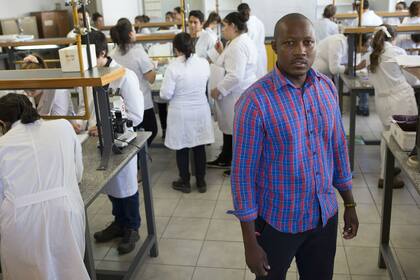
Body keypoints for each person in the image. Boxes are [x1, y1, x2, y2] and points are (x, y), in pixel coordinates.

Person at [231, 13, 358, 280]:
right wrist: (250, 243)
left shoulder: (326, 88)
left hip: (324, 216)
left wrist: (349, 204)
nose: (300, 51)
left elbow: (337, 148)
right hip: (278, 222)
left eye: (308, 42)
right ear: (274, 47)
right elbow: (243, 176)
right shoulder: (255, 102)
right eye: (290, 43)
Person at [0, 94, 89, 279]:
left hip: (21, 222)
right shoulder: (63, 126)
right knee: (69, 270)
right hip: (65, 211)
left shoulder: (3, 144)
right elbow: (78, 172)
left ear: (3, 123)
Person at [83, 30, 145, 254]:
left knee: (126, 187)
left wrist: (105, 126)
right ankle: (119, 223)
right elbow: (88, 109)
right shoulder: (90, 74)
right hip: (98, 141)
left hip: (122, 141)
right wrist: (84, 124)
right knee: (111, 187)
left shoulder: (124, 76)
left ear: (101, 53)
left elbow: (137, 115)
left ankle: (132, 227)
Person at [160, 32, 214, 193]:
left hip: (181, 112)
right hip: (200, 110)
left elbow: (165, 94)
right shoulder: (204, 63)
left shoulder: (173, 66)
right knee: (199, 146)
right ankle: (201, 182)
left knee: (182, 147)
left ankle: (184, 181)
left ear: (176, 49)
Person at [367, 24, 418, 189]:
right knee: (405, 139)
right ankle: (389, 175)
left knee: (388, 136)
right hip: (401, 99)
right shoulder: (397, 52)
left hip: (382, 102)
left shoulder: (370, 56)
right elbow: (412, 80)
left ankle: (385, 173)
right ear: (393, 37)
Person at [207, 12, 257, 176]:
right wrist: (221, 52)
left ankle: (237, 166)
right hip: (235, 93)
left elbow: (235, 75)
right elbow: (226, 63)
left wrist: (218, 89)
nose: (222, 30)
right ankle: (226, 157)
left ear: (233, 26)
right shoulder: (236, 42)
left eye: (225, 26)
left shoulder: (237, 45)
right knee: (230, 129)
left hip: (235, 93)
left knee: (236, 129)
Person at [111, 18, 158, 146]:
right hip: (142, 102)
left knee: (128, 133)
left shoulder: (113, 54)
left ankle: (134, 157)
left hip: (119, 102)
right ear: (131, 34)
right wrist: (153, 66)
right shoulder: (138, 52)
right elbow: (151, 78)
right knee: (152, 129)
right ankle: (138, 155)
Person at [238, 3, 267, 78]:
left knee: (253, 80)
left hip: (252, 56)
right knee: (262, 77)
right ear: (250, 10)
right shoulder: (259, 22)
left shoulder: (246, 25)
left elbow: (246, 43)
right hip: (261, 53)